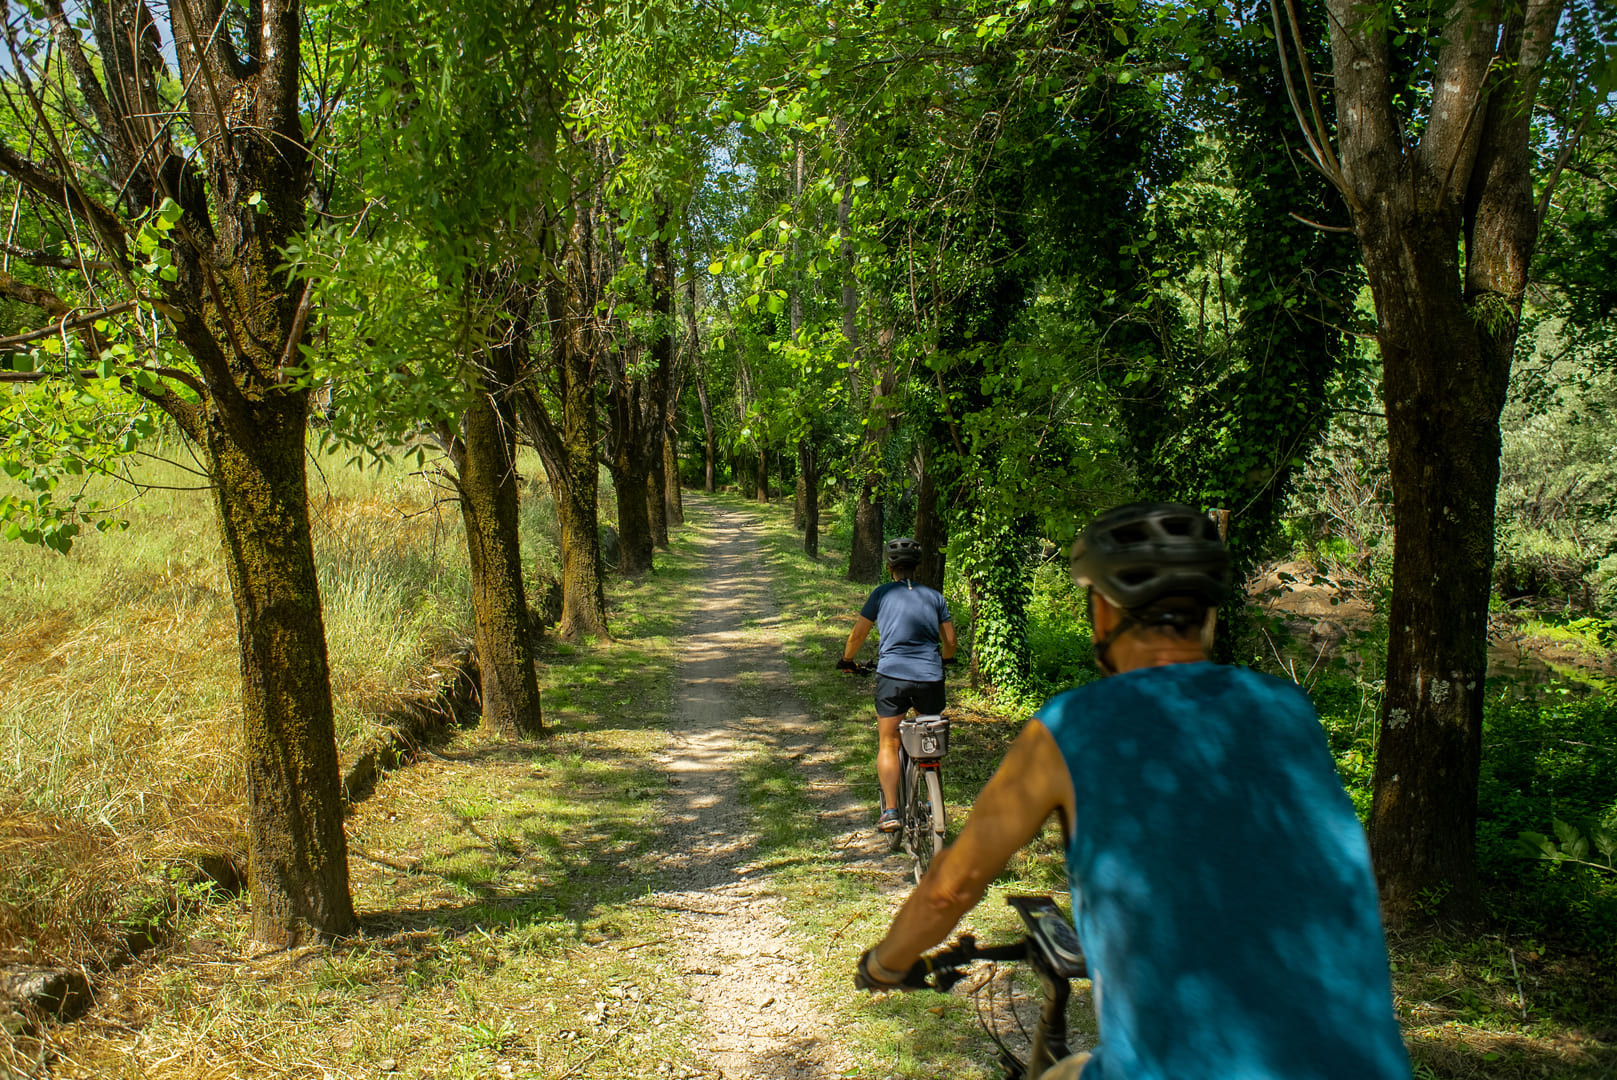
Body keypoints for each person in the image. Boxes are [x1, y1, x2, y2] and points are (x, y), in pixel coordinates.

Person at [854, 504, 1411, 1080]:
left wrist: (883, 963)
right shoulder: (1287, 711)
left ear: (1103, 610)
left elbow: (952, 887)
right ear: (1208, 613)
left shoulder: (1076, 725)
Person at [839, 537, 958, 835]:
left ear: (889, 566)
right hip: (930, 677)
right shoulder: (935, 597)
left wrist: (847, 661)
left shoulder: (881, 594)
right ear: (916, 567)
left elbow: (857, 635)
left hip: (893, 677)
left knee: (889, 742)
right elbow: (952, 643)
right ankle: (932, 801)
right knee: (929, 742)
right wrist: (943, 660)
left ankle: (891, 811)